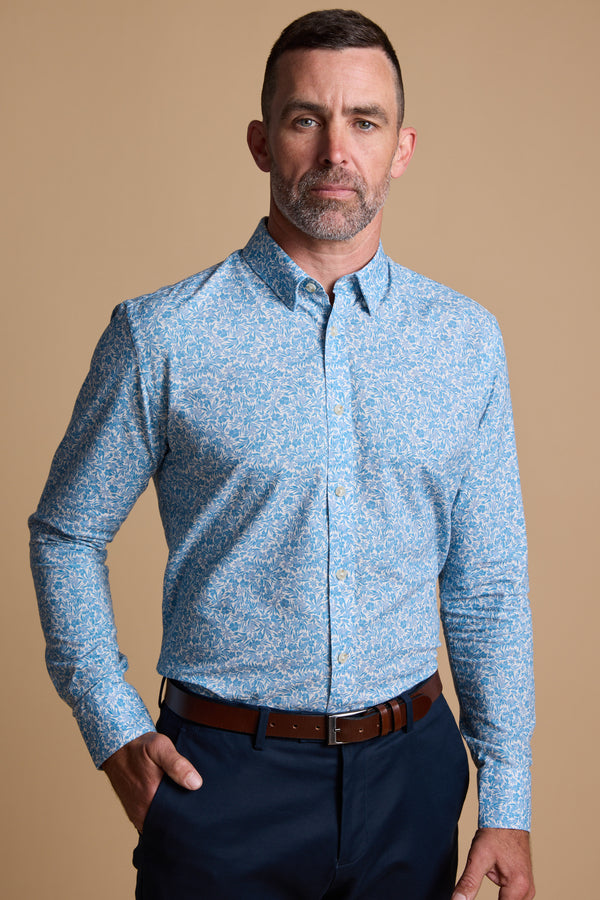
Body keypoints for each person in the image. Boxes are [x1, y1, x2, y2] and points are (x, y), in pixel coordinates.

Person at [29, 9, 535, 900]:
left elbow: (486, 580)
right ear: (263, 143)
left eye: (364, 121)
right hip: (221, 783)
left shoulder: (465, 342)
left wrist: (508, 799)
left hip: (411, 782)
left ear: (402, 147)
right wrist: (112, 728)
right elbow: (65, 535)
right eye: (307, 119)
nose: (337, 149)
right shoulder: (162, 336)